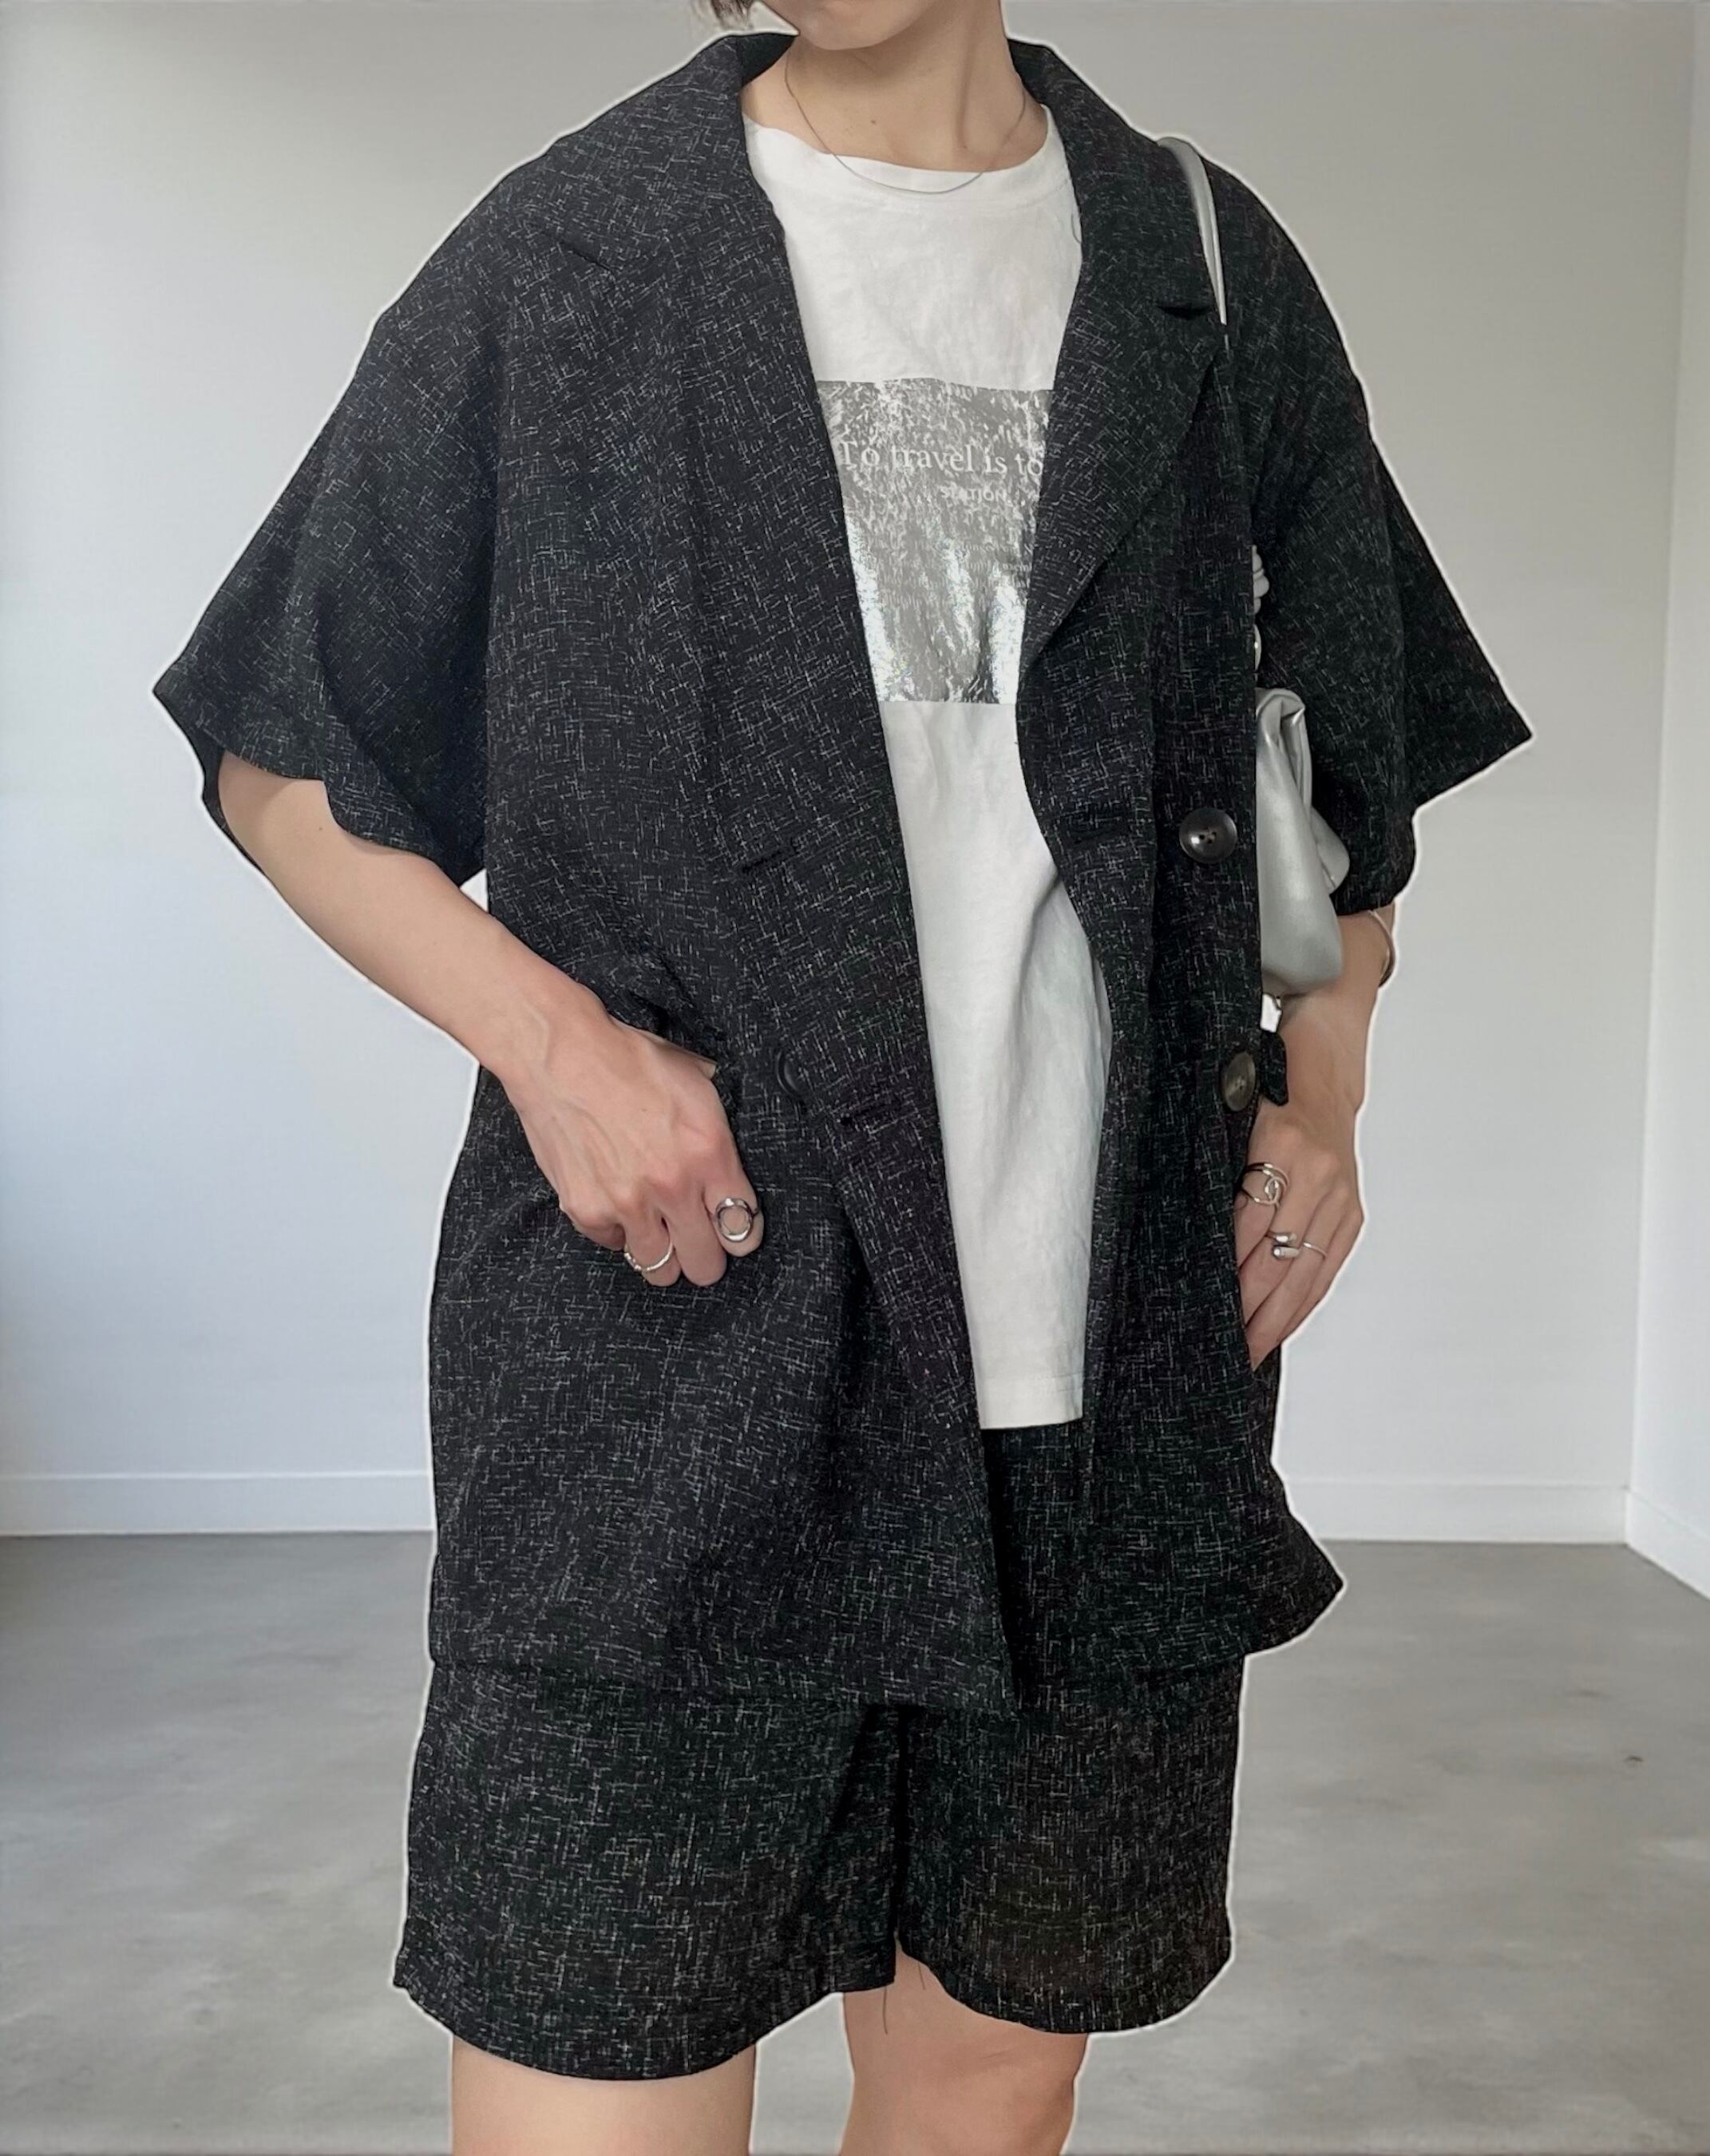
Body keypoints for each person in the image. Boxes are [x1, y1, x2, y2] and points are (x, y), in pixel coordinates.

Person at [149, 2, 1533, 2150]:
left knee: (983, 2097)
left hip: (1101, 1403)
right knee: (590, 2070)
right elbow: (289, 752)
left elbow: (1337, 764)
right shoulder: (573, 253)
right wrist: (555, 1048)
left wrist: (1327, 1086)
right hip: (675, 1372)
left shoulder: (1201, 263)